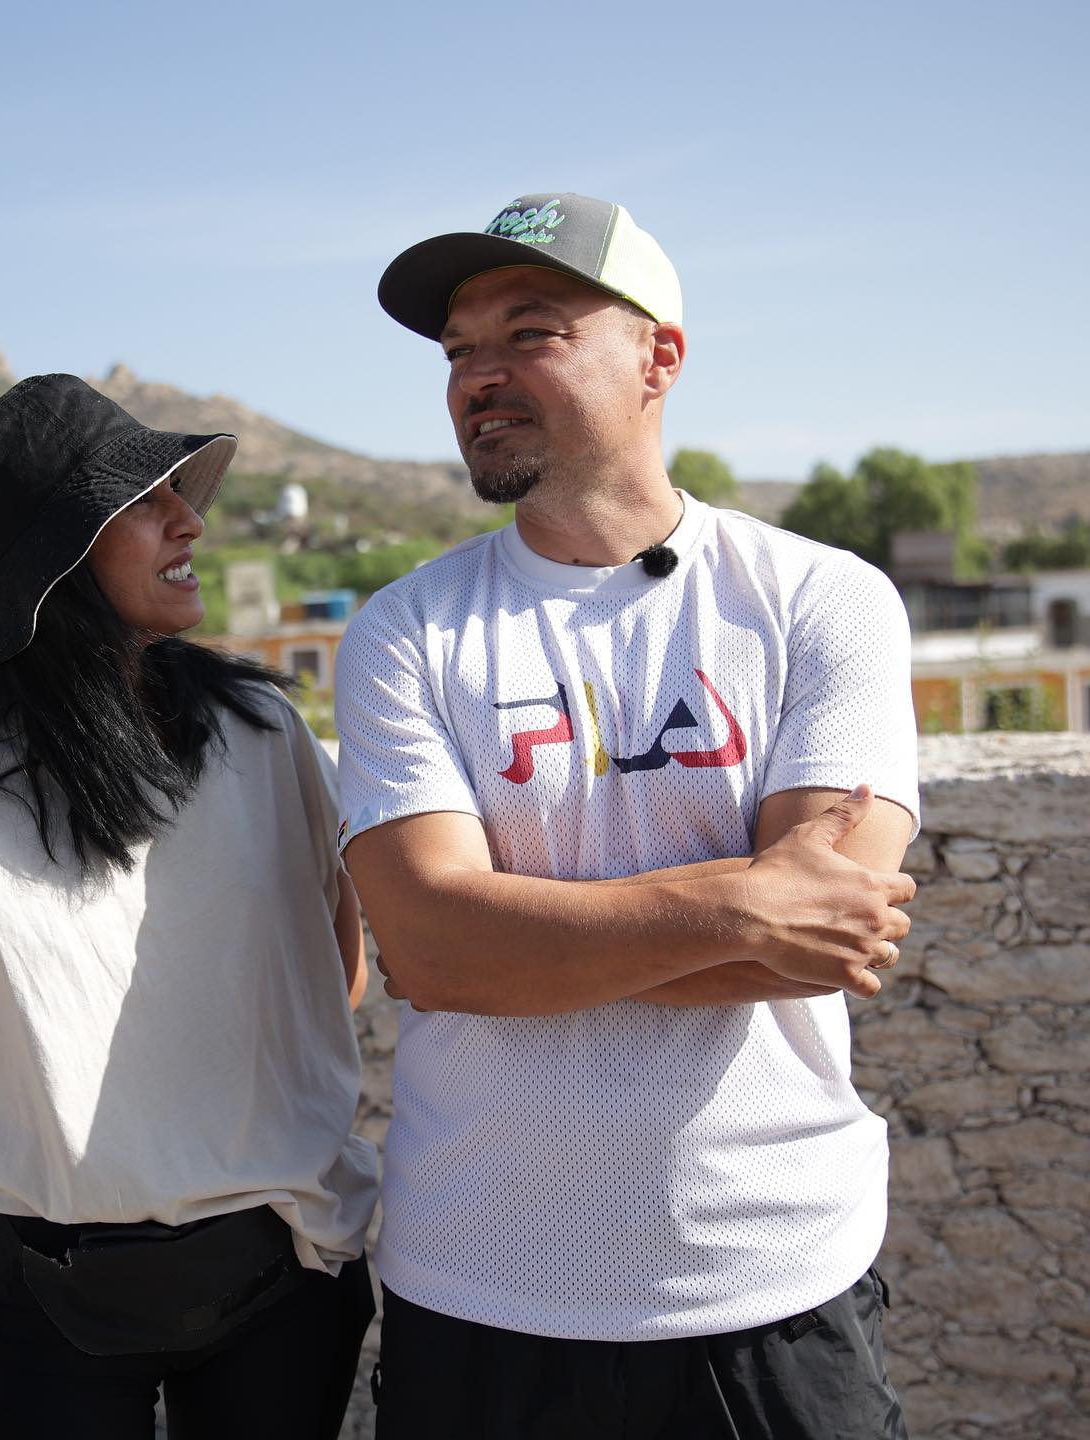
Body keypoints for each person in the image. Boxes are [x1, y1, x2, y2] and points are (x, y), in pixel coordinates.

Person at [335, 194, 919, 1439]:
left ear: (661, 358)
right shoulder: (406, 631)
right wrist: (744, 901)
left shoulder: (822, 600)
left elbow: (824, 937)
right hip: (482, 1287)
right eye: (458, 351)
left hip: (772, 1285)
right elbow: (435, 953)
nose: (478, 376)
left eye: (531, 333)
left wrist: (526, 940)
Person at [0, 374, 378, 1440]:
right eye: (145, 500)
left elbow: (334, 968)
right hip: (45, 1293)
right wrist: (24, 1191)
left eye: (177, 492)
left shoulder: (263, 732)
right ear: (57, 557)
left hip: (287, 1273)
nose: (189, 520)